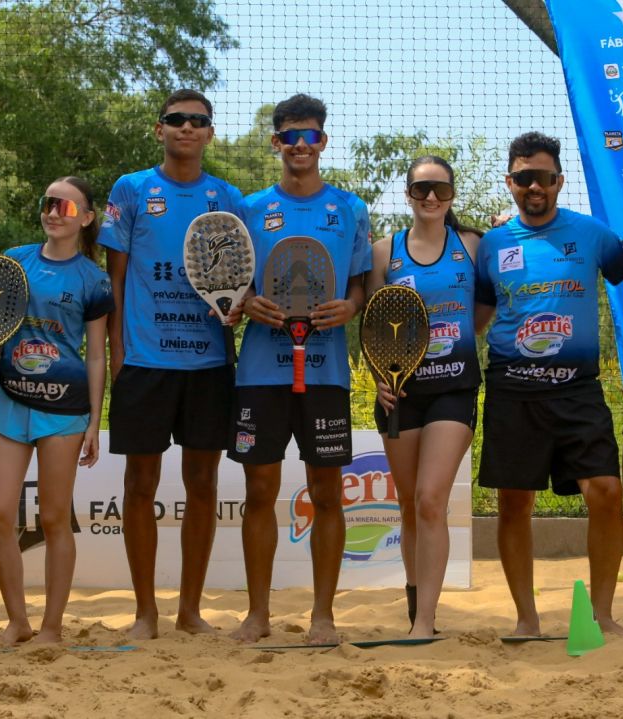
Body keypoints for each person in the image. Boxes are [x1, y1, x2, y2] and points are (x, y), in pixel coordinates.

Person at [474, 132, 623, 636]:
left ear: (559, 181)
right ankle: (527, 619)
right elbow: (478, 318)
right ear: (510, 183)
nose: (533, 186)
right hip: (512, 390)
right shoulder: (493, 243)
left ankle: (601, 614)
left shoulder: (592, 234)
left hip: (578, 390)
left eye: (543, 177)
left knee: (608, 492)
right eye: (523, 178)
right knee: (515, 503)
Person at [99, 89, 244, 639]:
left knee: (203, 483)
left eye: (198, 121)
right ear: (159, 129)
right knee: (140, 484)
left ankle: (189, 610)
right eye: (176, 119)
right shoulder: (132, 190)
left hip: (208, 363)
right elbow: (114, 281)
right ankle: (145, 613)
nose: (187, 127)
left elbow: (237, 282)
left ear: (210, 133)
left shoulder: (227, 197)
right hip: (144, 360)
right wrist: (117, 358)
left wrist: (236, 312)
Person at [230, 94, 371, 645]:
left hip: (327, 373)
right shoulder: (248, 208)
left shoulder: (350, 210)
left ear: (323, 142)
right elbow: (233, 283)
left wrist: (351, 307)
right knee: (260, 490)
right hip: (261, 371)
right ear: (276, 143)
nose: (300, 146)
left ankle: (323, 618)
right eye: (290, 136)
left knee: (327, 492)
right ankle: (257, 615)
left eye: (309, 136)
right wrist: (247, 300)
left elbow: (359, 281)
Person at [0, 176, 112, 644]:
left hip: (64, 410)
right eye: (49, 202)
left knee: (55, 518)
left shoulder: (94, 279)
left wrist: (96, 421)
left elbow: (97, 355)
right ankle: (18, 620)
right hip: (9, 401)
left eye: (67, 207)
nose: (55, 212)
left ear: (87, 218)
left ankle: (52, 628)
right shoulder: (13, 262)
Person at [365, 156, 482, 638]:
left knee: (432, 499)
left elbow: (490, 303)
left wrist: (461, 340)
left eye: (440, 188)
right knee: (411, 505)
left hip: (454, 388)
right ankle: (417, 609)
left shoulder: (474, 245)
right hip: (401, 392)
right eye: (421, 189)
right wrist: (380, 379)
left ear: (452, 193)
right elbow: (371, 323)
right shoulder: (383, 252)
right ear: (408, 194)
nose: (431, 197)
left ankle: (426, 624)